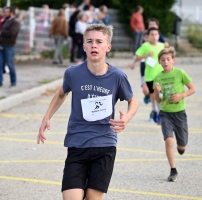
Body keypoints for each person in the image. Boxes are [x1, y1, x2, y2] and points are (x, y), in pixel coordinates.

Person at [37, 23, 138, 200]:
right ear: (83, 46)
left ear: (108, 47)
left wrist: (127, 118)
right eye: (89, 41)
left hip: (104, 145)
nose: (94, 45)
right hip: (77, 144)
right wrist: (46, 117)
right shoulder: (73, 73)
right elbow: (61, 94)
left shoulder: (117, 76)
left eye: (99, 41)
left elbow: (133, 100)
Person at [153, 46, 195, 182]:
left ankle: (181, 146)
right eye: (162, 60)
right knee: (169, 140)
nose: (165, 62)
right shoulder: (158, 77)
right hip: (165, 113)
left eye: (168, 59)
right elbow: (158, 99)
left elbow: (192, 89)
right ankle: (173, 170)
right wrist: (156, 91)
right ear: (159, 62)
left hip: (179, 113)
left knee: (182, 146)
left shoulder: (180, 73)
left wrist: (181, 95)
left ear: (173, 60)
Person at [130, 27, 164, 124]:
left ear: (158, 36)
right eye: (152, 35)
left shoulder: (161, 46)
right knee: (153, 95)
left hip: (161, 75)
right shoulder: (145, 46)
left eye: (156, 34)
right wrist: (146, 55)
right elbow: (137, 57)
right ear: (148, 36)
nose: (154, 37)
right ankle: (155, 110)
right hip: (150, 76)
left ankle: (160, 113)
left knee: (159, 94)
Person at [0, 6, 20, 87]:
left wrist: (1, 33)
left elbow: (12, 33)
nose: (4, 13)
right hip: (0, 45)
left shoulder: (15, 22)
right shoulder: (5, 21)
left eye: (6, 12)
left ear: (12, 13)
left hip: (9, 46)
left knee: (9, 64)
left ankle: (13, 81)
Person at [130, 32, 150, 104]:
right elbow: (137, 57)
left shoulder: (155, 46)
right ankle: (147, 95)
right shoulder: (142, 46)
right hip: (144, 68)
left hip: (153, 69)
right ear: (144, 38)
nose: (148, 39)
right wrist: (133, 63)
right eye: (146, 37)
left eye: (149, 37)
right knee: (145, 90)